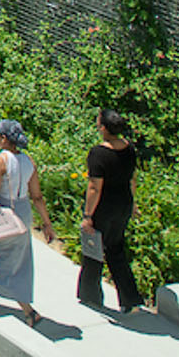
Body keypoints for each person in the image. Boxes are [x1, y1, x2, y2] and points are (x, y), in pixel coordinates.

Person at [0, 118, 56, 326]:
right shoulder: (29, 162)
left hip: (3, 214)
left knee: (0, 258)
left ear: (3, 138)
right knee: (18, 259)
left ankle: (28, 310)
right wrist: (47, 224)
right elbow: (37, 196)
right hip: (23, 213)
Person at [78, 107, 144, 312]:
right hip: (123, 204)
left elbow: (94, 187)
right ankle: (130, 299)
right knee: (116, 251)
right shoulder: (129, 149)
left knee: (93, 251)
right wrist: (133, 203)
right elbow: (132, 178)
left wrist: (88, 215)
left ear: (104, 128)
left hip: (103, 208)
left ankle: (91, 296)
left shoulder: (98, 153)